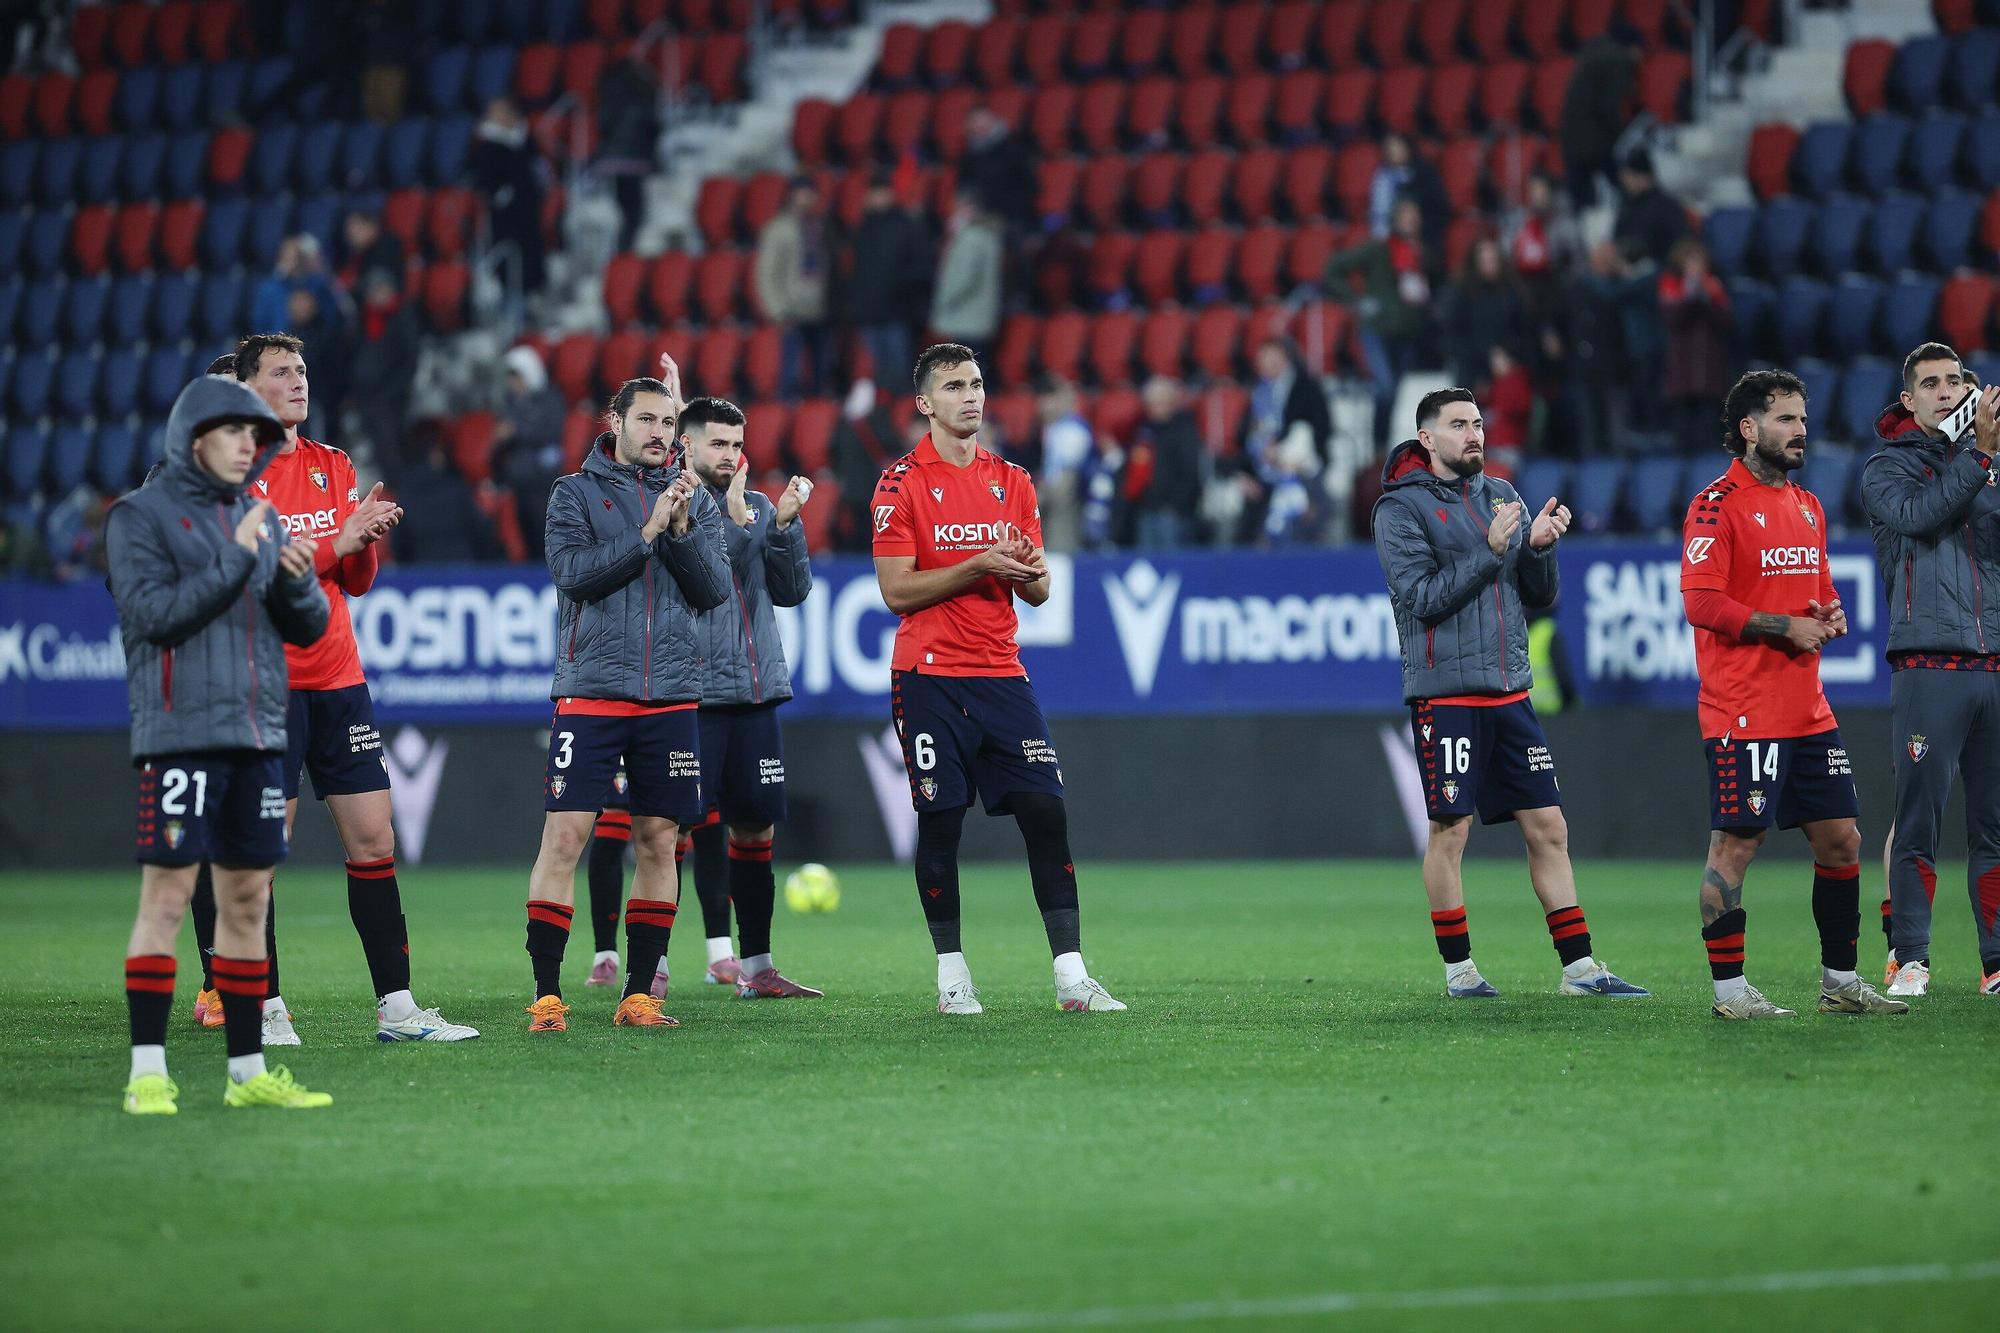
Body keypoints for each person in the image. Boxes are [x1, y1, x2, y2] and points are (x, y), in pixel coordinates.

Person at [186, 333, 479, 1045]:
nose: (298, 381)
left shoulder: (333, 463)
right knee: (260, 851)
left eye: (303, 370)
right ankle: (264, 1006)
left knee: (375, 842)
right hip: (266, 686)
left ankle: (398, 1006)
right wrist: (337, 541)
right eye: (281, 372)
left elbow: (353, 581)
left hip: (340, 682)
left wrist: (365, 538)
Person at [870, 344, 1125, 1015]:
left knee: (1047, 811)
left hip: (1002, 674)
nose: (971, 396)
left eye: (978, 384)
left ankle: (1073, 976)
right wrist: (981, 563)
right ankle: (952, 976)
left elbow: (1038, 590)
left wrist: (1023, 568)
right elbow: (897, 592)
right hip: (928, 676)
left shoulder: (1011, 479)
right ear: (925, 402)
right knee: (942, 819)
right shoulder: (900, 483)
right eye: (954, 386)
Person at [108, 373, 335, 1114]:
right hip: (179, 735)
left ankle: (247, 1074)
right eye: (239, 432)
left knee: (246, 901)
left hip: (257, 734)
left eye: (258, 437)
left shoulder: (260, 517)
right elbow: (155, 617)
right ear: (195, 436)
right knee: (168, 896)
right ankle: (148, 1069)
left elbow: (305, 628)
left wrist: (297, 582)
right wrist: (242, 558)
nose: (252, 447)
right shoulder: (139, 516)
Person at [1374, 388, 1648, 1000]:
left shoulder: (1502, 494)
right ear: (1427, 439)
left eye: (1478, 423)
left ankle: (1579, 969)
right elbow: (1419, 598)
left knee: (1548, 826)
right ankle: (1459, 970)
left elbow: (1537, 594)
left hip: (1508, 692)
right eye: (1459, 426)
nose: (1475, 435)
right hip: (1446, 694)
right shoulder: (1399, 510)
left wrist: (1540, 549)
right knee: (1451, 830)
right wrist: (1490, 549)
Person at [1679, 369, 1907, 1019]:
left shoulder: (1807, 506)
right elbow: (1701, 601)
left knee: (1842, 840)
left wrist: (1827, 614)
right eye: (1785, 418)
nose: (1800, 429)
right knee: (1736, 846)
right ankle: (1730, 993)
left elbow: (1820, 589)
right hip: (1742, 707)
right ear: (1749, 429)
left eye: (1803, 417)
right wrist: (1786, 626)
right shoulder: (1716, 503)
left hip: (1808, 710)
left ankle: (1840, 981)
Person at [522, 371, 730, 1033]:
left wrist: (679, 528)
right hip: (592, 692)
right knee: (566, 837)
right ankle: (548, 994)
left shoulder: (695, 500)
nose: (659, 434)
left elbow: (712, 591)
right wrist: (645, 532)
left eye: (668, 424)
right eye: (646, 420)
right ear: (616, 421)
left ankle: (639, 996)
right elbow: (574, 574)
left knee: (659, 841)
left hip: (670, 696)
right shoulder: (573, 493)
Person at [1859, 343, 2000, 998]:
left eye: (1957, 380)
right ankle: (1910, 957)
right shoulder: (1887, 469)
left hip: (1993, 661)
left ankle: (1996, 962)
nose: (1947, 391)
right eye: (1933, 383)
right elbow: (1921, 516)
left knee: (1993, 827)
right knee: (1920, 822)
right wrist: (1981, 458)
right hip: (1928, 661)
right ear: (1908, 399)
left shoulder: (1989, 465)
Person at [675, 397, 823, 997]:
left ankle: (758, 968)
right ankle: (650, 970)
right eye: (718, 444)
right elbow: (707, 585)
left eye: (737, 445)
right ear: (686, 445)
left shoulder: (758, 507)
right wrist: (737, 525)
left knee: (755, 832)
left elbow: (792, 591)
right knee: (669, 833)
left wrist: (783, 527)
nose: (731, 455)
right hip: (695, 697)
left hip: (756, 696)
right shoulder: (675, 509)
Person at [1325, 199, 1437, 448]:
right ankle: (1377, 445)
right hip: (1377, 331)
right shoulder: (1378, 249)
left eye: (1415, 215)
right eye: (1407, 215)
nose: (1412, 220)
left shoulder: (1423, 252)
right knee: (1385, 388)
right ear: (1395, 219)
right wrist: (1355, 300)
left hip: (1407, 334)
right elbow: (1334, 268)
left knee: (1392, 395)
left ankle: (1382, 448)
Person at [846, 174, 932, 392]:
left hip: (898, 311)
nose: (879, 199)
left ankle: (904, 411)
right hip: (870, 312)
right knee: (879, 371)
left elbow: (920, 267)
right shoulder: (862, 229)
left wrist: (901, 290)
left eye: (883, 193)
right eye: (875, 194)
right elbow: (857, 272)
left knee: (901, 370)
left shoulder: (905, 226)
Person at [754, 178, 833, 398]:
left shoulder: (820, 226)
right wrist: (776, 309)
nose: (806, 199)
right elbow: (767, 272)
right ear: (791, 195)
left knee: (820, 370)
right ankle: (785, 411)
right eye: (802, 193)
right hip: (791, 309)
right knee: (791, 369)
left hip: (819, 308)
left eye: (810, 194)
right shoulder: (778, 228)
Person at [1659, 238, 1734, 450]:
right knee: (1683, 427)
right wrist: (1691, 296)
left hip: (1710, 368)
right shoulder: (1671, 286)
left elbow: (1726, 320)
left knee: (1709, 425)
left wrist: (1707, 298)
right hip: (1682, 368)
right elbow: (1672, 320)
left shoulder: (1714, 286)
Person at [471, 96, 547, 295]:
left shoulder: (526, 141)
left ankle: (533, 294)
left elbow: (537, 168)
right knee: (509, 256)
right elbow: (483, 180)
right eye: (494, 113)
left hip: (529, 210)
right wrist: (502, 196)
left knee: (531, 254)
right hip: (506, 217)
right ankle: (511, 297)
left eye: (501, 112)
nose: (497, 117)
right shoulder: (487, 146)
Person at [929, 192, 1004, 367]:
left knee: (967, 369)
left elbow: (964, 279)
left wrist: (942, 301)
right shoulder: (987, 236)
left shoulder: (971, 238)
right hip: (976, 315)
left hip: (965, 315)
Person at [1130, 376, 1204, 549]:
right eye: (1151, 404)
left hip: (1172, 513)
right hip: (1147, 509)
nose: (1155, 409)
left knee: (1174, 566)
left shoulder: (1185, 429)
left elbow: (1191, 473)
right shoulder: (1145, 431)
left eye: (1160, 403)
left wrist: (1176, 506)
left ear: (1172, 402)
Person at [1611, 149, 1691, 268]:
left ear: (1645, 176)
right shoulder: (1627, 205)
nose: (1625, 181)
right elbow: (1617, 239)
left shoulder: (1666, 206)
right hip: (1627, 269)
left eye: (1630, 175)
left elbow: (1681, 245)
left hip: (1660, 270)